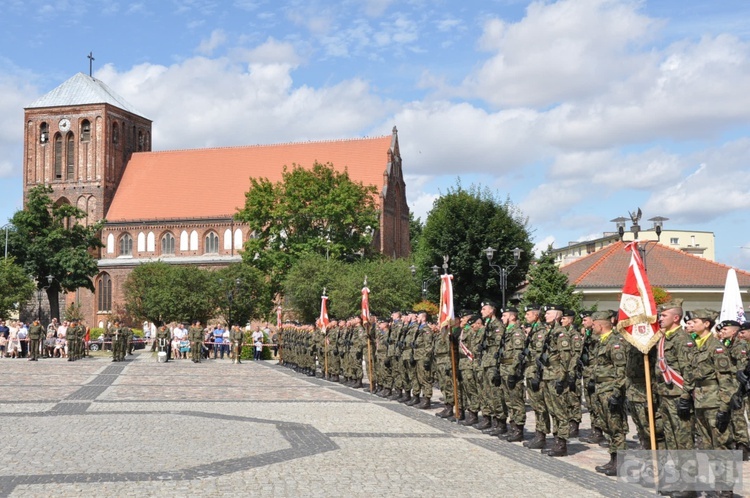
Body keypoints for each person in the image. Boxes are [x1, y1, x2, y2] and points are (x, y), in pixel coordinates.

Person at [590, 311, 628, 476]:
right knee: (607, 426)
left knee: (616, 427)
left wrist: (617, 393)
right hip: (601, 388)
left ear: (600, 324)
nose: (592, 327)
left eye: (593, 324)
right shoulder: (601, 341)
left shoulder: (615, 342)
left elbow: (621, 369)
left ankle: (620, 462)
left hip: (611, 389)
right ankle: (613, 459)